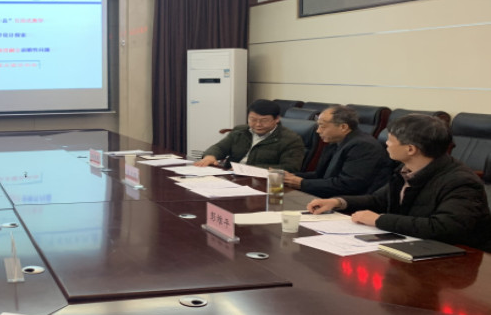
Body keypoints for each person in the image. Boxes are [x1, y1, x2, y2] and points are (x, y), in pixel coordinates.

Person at [307, 114, 491, 251]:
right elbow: (378, 200)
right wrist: (338, 202)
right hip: (411, 245)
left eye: (390, 140)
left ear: (410, 149)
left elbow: (444, 228)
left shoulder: (461, 182)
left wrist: (379, 220)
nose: (386, 144)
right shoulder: (405, 170)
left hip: (454, 259)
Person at [283, 105, 391, 197]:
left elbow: (347, 185)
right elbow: (321, 175)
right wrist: (292, 177)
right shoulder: (335, 142)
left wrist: (302, 183)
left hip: (350, 203)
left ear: (343, 127)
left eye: (322, 126)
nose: (318, 131)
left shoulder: (363, 146)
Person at [194, 99, 305, 172]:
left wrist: (248, 169)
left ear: (277, 119)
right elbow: (220, 147)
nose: (258, 124)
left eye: (264, 120)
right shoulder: (240, 131)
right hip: (231, 176)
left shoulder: (291, 139)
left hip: (262, 182)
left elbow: (290, 168)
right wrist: (210, 156)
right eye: (253, 119)